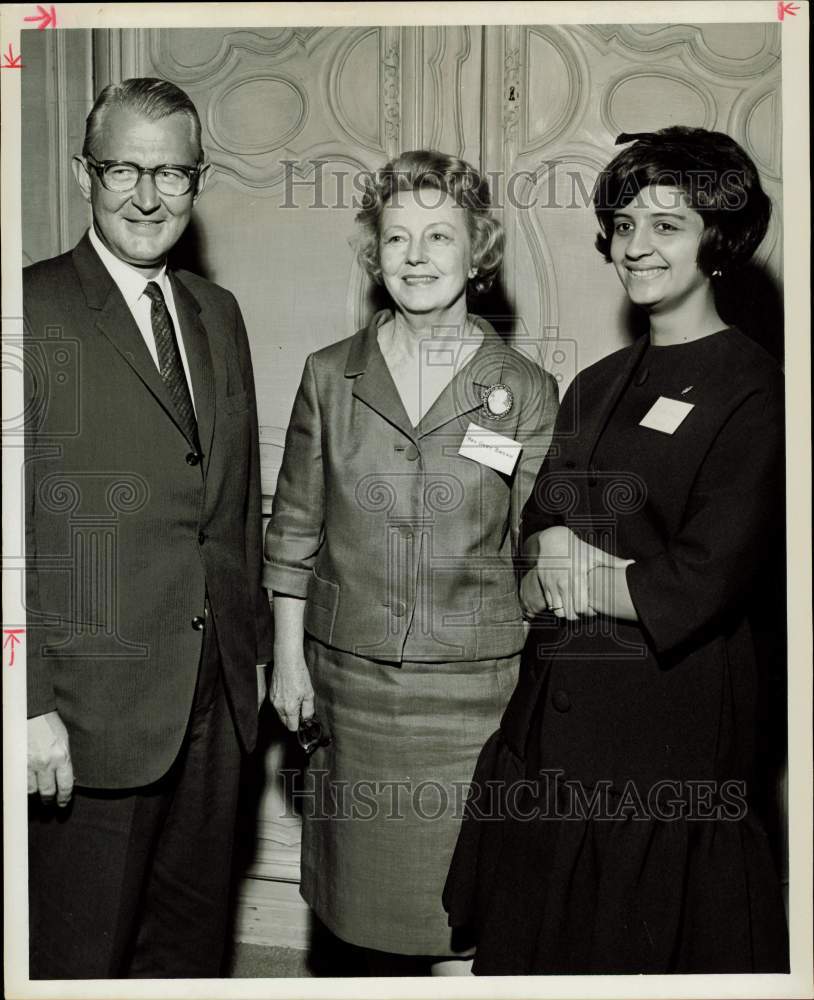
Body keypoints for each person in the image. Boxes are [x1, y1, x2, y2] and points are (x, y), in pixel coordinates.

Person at [443, 126, 789, 974]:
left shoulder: (757, 391)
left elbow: (704, 580)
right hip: (550, 728)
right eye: (625, 224)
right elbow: (532, 540)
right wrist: (552, 558)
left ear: (721, 240)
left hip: (663, 745)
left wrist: (578, 570)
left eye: (666, 225)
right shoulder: (597, 381)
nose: (635, 247)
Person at [264, 150, 558, 975]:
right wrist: (288, 663)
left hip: (476, 694)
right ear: (376, 252)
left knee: (463, 919)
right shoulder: (330, 374)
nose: (417, 256)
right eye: (397, 237)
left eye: (439, 236)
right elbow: (292, 529)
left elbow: (535, 542)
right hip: (352, 692)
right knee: (359, 923)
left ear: (479, 252)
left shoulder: (524, 388)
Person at [24, 78, 273, 978]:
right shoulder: (30, 310)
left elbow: (235, 503)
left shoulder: (217, 312)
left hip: (215, 704)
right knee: (78, 957)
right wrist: (26, 707)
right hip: (87, 715)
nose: (146, 196)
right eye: (123, 168)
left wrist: (254, 658)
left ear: (197, 181)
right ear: (87, 173)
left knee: (190, 953)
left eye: (172, 174)